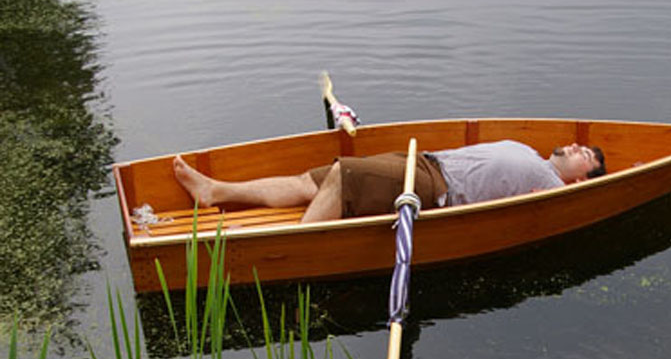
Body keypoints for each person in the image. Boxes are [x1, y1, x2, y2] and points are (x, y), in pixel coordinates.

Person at [172, 140, 606, 223]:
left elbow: (547, 211)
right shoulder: (530, 153)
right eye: (577, 143)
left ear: (582, 176)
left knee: (344, 174)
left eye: (582, 154)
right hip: (424, 162)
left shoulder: (550, 187)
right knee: (311, 181)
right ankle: (215, 192)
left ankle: (303, 241)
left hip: (434, 192)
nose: (572, 146)